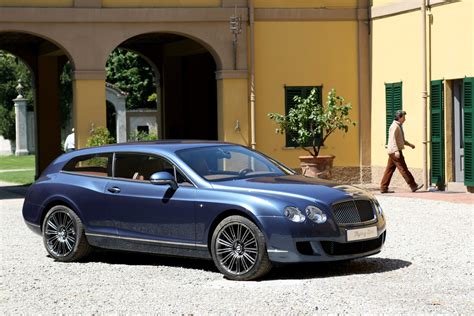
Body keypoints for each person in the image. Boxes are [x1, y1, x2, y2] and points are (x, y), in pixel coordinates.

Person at [380, 110, 423, 193]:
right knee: (403, 169)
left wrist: (410, 145)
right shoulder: (394, 126)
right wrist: (396, 151)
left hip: (393, 151)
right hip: (394, 151)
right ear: (399, 117)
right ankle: (413, 185)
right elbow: (392, 140)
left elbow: (401, 140)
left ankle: (383, 187)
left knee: (389, 170)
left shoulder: (398, 126)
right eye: (404, 117)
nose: (405, 119)